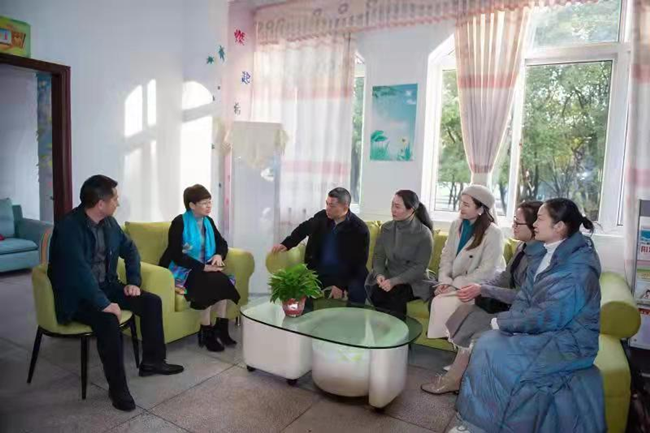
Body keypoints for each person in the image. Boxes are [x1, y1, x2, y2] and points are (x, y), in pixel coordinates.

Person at [455, 198, 605, 433]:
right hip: (546, 331)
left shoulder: (577, 269)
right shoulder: (548, 254)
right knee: (487, 344)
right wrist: (509, 325)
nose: (535, 224)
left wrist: (503, 322)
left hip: (569, 341)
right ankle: (476, 423)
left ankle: (485, 425)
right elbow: (526, 296)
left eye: (540, 219)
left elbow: (550, 315)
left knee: (495, 354)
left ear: (559, 226)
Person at [48, 175, 183, 412]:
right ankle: (118, 389)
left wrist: (133, 282)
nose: (118, 203)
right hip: (78, 295)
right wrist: (104, 303)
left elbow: (130, 251)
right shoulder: (68, 228)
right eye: (115, 199)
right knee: (109, 320)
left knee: (150, 302)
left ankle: (152, 361)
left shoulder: (109, 224)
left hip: (108, 285)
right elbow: (79, 273)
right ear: (101, 203)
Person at [421, 201, 542, 395]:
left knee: (475, 322)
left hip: (522, 311)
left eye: (518, 223)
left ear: (535, 226)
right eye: (514, 220)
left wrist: (483, 289)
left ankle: (454, 379)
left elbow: (523, 295)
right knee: (467, 312)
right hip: (506, 303)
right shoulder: (522, 247)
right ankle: (458, 375)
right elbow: (504, 277)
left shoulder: (540, 257)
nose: (513, 226)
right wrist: (478, 287)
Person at [159, 184, 240, 353]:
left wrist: (218, 255)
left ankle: (221, 328)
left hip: (205, 265)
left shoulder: (208, 221)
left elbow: (222, 243)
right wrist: (203, 267)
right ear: (192, 205)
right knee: (208, 282)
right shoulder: (179, 222)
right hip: (182, 267)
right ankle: (206, 331)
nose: (209, 206)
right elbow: (176, 254)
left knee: (222, 280)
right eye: (204, 203)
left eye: (210, 202)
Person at [427, 185, 505, 338]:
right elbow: (447, 255)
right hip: (454, 281)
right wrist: (445, 281)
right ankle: (452, 341)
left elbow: (487, 270)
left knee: (443, 303)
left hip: (478, 286)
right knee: (435, 296)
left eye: (466, 204)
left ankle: (456, 343)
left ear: (480, 209)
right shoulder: (456, 224)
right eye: (461, 202)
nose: (461, 207)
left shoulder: (494, 233)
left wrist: (456, 285)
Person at [271, 187, 370, 304]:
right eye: (327, 203)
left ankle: (353, 316)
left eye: (332, 206)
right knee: (301, 286)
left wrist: (340, 284)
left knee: (357, 290)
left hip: (348, 272)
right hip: (321, 269)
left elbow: (358, 262)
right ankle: (305, 315)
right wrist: (286, 244)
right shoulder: (322, 217)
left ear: (345, 207)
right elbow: (304, 228)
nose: (327, 208)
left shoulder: (359, 229)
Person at [365, 190, 435, 319]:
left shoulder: (424, 234)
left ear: (411, 210)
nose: (393, 210)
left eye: (397, 207)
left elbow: (420, 267)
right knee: (376, 291)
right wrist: (380, 274)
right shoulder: (386, 228)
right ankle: (381, 329)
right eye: (392, 205)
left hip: (414, 280)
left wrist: (394, 281)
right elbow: (379, 256)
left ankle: (397, 330)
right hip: (389, 274)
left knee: (395, 295)